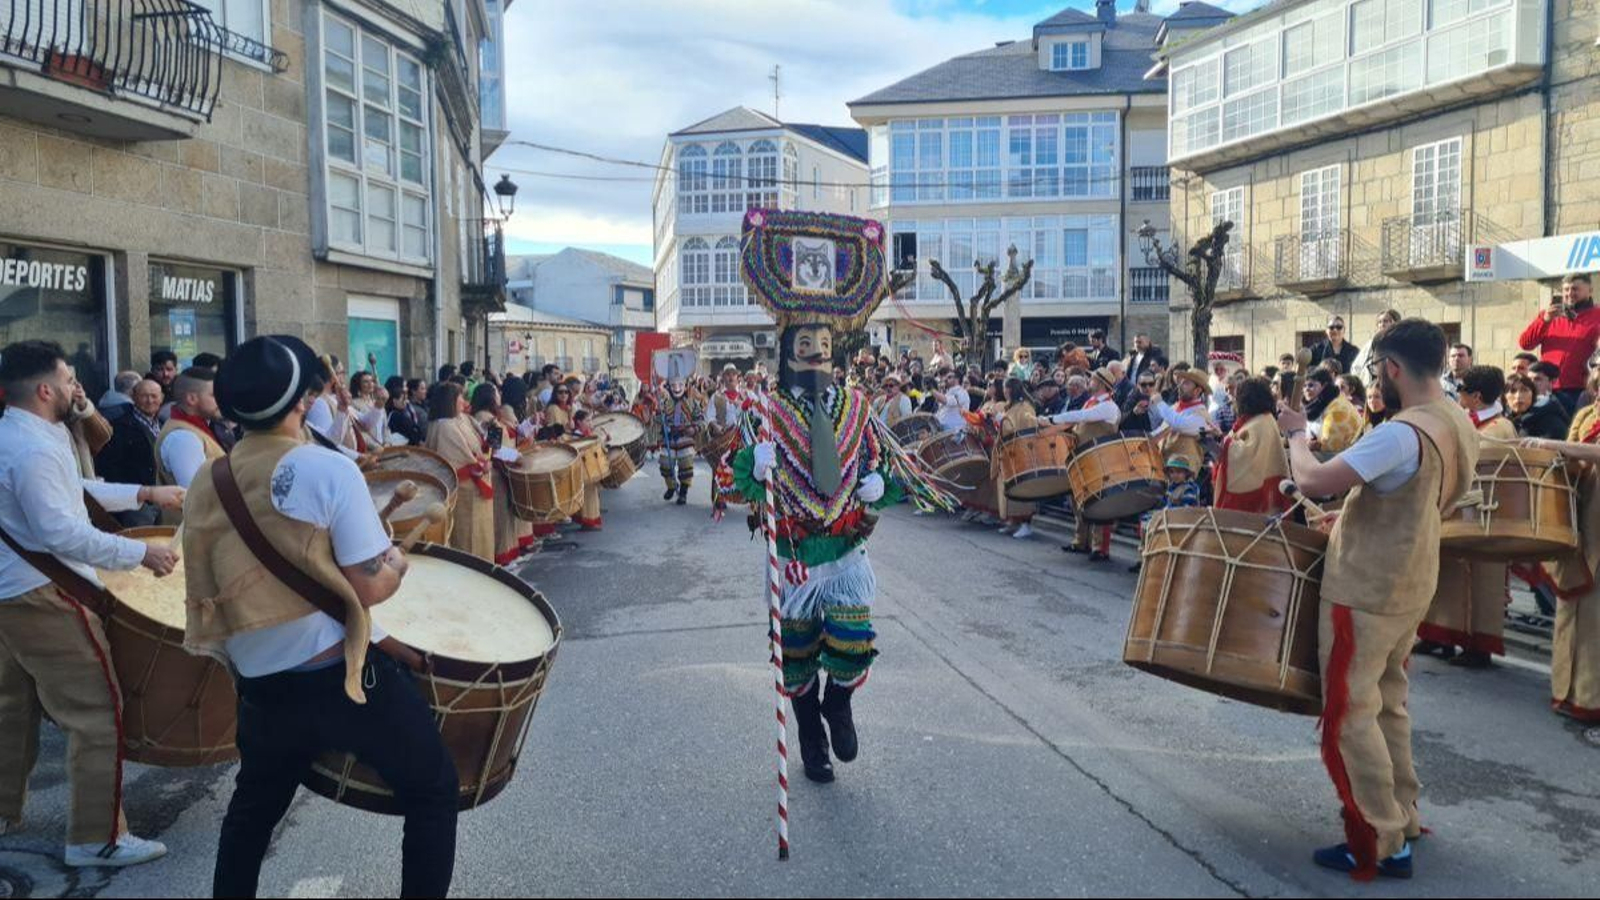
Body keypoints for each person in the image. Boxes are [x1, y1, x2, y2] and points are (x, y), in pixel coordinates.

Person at [178, 335, 456, 897]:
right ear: (301, 402)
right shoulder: (327, 469)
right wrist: (396, 566)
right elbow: (368, 587)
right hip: (339, 682)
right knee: (433, 791)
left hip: (259, 686)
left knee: (251, 815)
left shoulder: (210, 479)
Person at [732, 211, 944, 786]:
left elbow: (882, 465)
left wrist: (879, 484)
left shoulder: (857, 407)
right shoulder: (765, 412)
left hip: (846, 550)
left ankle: (839, 703)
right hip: (796, 554)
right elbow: (737, 480)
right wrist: (755, 465)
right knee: (797, 654)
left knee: (851, 641)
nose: (816, 351)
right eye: (805, 342)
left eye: (824, 343)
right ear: (787, 349)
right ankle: (810, 739)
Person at [1274, 319, 1477, 881]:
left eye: (1376, 370)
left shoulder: (1401, 433)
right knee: (1388, 702)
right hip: (1410, 582)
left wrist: (1296, 433)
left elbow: (1313, 480)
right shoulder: (1456, 421)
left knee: (1350, 711)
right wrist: (1353, 517)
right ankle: (1403, 816)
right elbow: (1416, 497)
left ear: (1391, 368)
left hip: (1366, 587)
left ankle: (1380, 838)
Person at [0, 339, 184, 867]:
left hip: (11, 594)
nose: (74, 388)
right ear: (44, 390)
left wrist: (143, 495)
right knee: (97, 713)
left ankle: (3, 808)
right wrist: (140, 553)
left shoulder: (19, 435)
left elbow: (73, 489)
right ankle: (96, 838)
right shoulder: (33, 448)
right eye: (67, 380)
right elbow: (59, 531)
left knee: (12, 708)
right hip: (43, 596)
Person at [1415, 365, 1513, 669]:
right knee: (1446, 574)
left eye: (1462, 390)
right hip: (1457, 509)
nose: (1458, 395)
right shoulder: (1470, 421)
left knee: (1483, 581)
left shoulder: (1499, 428)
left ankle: (1478, 645)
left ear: (1477, 396)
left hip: (1486, 514)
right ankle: (1438, 635)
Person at [1047, 369, 1122, 562]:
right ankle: (1081, 540)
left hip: (1100, 459)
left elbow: (1080, 416)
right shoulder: (1092, 402)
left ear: (1103, 384)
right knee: (1078, 500)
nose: (1089, 380)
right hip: (1083, 457)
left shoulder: (1108, 406)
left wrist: (1051, 420)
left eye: (1093, 379)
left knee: (1099, 503)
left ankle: (1100, 547)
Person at [425, 381, 495, 561]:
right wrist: (481, 465)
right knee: (467, 535)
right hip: (467, 488)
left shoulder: (461, 418)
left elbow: (478, 442)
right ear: (451, 400)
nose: (464, 401)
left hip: (475, 485)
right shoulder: (445, 426)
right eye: (460, 397)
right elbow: (458, 459)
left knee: (481, 532)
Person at [154, 368, 227, 523]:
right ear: (192, 399)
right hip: (194, 532)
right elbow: (196, 494)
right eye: (214, 395)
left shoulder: (188, 429)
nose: (221, 400)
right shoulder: (183, 437)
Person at [1518, 273, 1600, 411]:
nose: (1570, 293)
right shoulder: (1547, 316)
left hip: (1579, 390)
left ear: (1590, 290)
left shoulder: (1597, 316)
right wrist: (1545, 320)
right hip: (1546, 388)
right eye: (1566, 289)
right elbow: (1525, 343)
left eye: (1575, 289)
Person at [95, 379, 166, 526]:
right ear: (133, 397)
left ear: (162, 398)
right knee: (142, 538)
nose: (149, 401)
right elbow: (109, 466)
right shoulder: (119, 427)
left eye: (154, 396)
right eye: (144, 396)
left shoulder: (164, 424)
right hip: (136, 503)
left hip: (162, 498)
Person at [1214, 377, 1289, 515]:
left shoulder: (1262, 422)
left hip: (1258, 499)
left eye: (1237, 397)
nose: (1234, 400)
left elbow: (1244, 454)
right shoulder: (1257, 420)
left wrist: (1225, 444)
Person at [1128, 456, 1204, 573]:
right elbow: (1164, 503)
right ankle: (1144, 556)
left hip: (1181, 521)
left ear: (1186, 474)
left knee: (1151, 522)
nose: (1175, 475)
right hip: (1168, 517)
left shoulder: (1190, 489)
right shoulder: (1171, 487)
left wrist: (1164, 512)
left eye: (1179, 472)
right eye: (1172, 472)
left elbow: (1187, 510)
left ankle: (1150, 558)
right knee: (1145, 518)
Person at [994, 378, 1039, 540]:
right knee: (1010, 488)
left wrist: (1001, 419)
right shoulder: (1012, 406)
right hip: (1009, 452)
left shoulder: (1025, 407)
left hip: (1022, 452)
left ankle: (1026, 523)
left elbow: (1023, 428)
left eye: (1006, 388)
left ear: (1011, 389)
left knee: (1023, 488)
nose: (1004, 391)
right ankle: (1013, 520)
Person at [657, 379, 702, 505]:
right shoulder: (664, 402)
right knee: (665, 463)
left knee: (686, 464)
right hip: (669, 437)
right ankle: (671, 486)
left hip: (685, 437)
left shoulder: (692, 402)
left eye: (680, 384)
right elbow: (656, 419)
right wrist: (659, 416)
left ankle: (683, 492)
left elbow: (701, 419)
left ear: (685, 386)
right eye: (673, 385)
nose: (677, 388)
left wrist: (694, 429)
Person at [1304, 369, 1362, 454]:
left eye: (1311, 385)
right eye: (1304, 386)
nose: (1306, 389)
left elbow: (1327, 449)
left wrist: (1306, 445)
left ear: (1324, 386)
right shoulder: (1331, 399)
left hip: (1341, 456)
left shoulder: (1337, 412)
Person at [1506, 371, 1570, 439]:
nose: (1518, 396)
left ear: (1533, 395)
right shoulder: (1504, 421)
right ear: (1504, 397)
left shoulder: (1551, 422)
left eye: (1524, 390)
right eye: (1513, 391)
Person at [1351, 309, 1402, 378]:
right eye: (1379, 322)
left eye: (1386, 321)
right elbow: (1357, 366)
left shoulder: (1401, 343)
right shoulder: (1370, 344)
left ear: (1396, 323)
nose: (1382, 324)